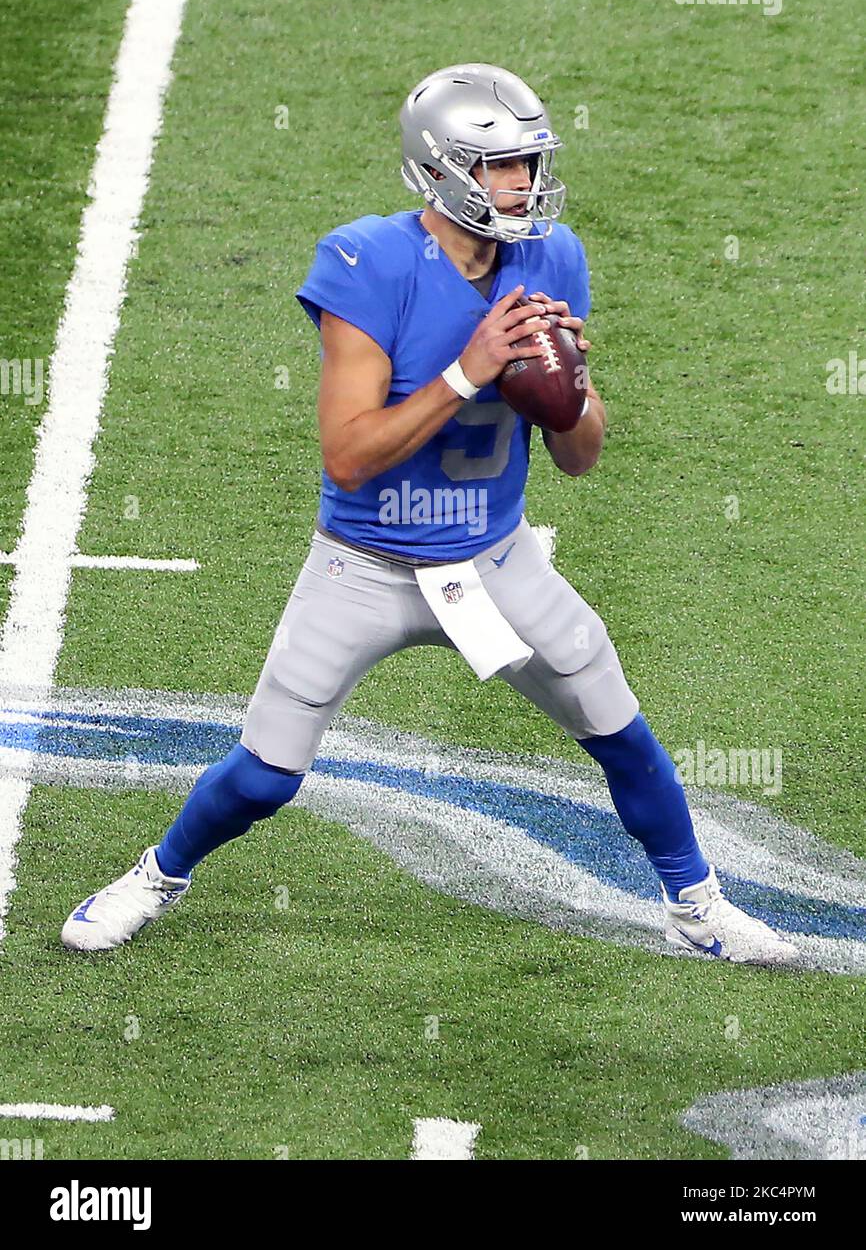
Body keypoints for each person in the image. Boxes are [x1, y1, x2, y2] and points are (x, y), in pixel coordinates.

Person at [62, 63, 797, 965]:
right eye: (499, 166)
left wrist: (565, 388)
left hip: (495, 561)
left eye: (528, 162)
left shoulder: (554, 257)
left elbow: (580, 458)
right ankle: (156, 875)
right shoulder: (366, 263)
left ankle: (697, 905)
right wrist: (470, 370)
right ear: (441, 171)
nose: (522, 183)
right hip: (365, 565)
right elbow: (348, 452)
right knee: (264, 776)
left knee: (620, 730)